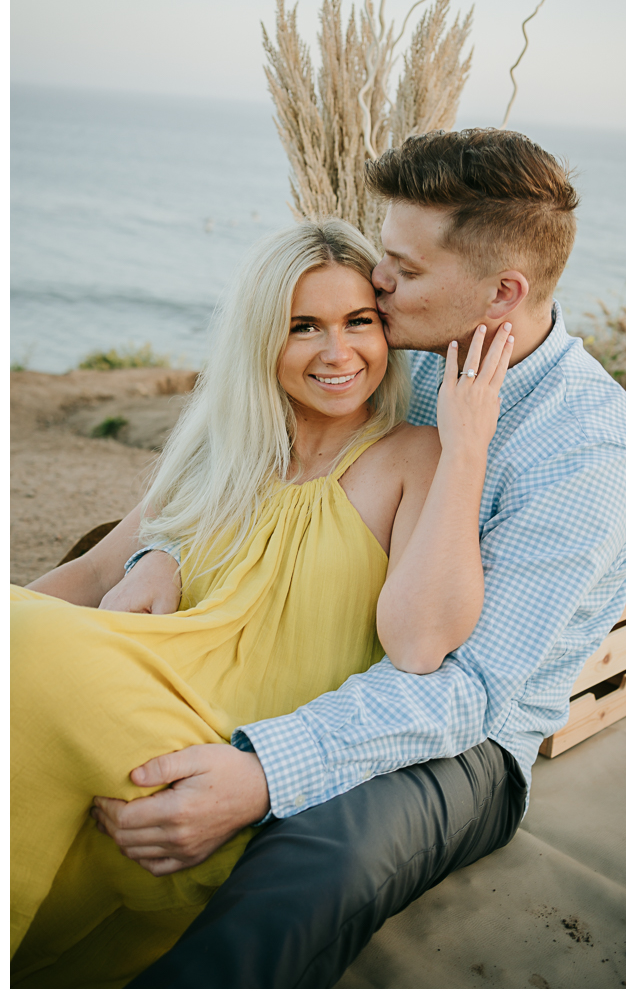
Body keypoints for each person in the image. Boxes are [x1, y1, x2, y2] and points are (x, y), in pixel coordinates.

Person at [104, 128, 626, 989]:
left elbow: (466, 688)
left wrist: (264, 771)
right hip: (309, 647)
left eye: (404, 266)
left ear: (502, 292)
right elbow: (255, 463)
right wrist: (161, 548)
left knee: (314, 862)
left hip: (466, 743)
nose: (377, 281)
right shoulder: (397, 353)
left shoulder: (584, 452)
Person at [11, 217, 515, 987]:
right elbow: (83, 580)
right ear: (261, 339)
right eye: (303, 326)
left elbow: (420, 645)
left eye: (359, 322)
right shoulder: (225, 453)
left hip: (224, 768)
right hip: (138, 709)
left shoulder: (416, 459)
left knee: (31, 647)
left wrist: (469, 444)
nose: (338, 352)